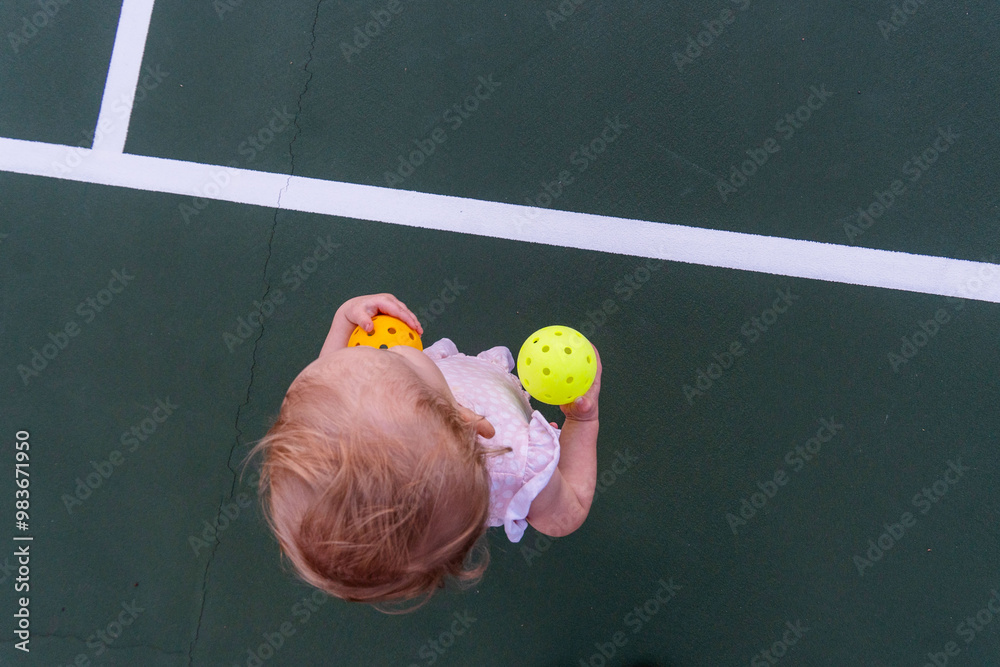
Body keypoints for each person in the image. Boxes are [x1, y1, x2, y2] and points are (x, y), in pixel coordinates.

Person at [249, 293, 601, 611]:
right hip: (504, 448)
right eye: (398, 361)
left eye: (361, 353)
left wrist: (344, 318)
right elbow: (568, 515)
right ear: (465, 419)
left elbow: (329, 382)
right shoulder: (516, 461)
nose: (391, 347)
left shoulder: (340, 409)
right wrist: (582, 422)